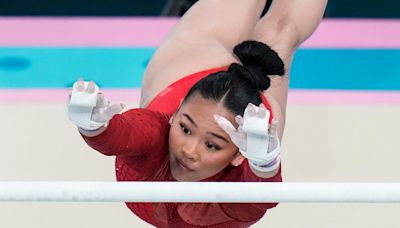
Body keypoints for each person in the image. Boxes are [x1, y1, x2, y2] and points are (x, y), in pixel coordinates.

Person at [67, 0, 327, 227]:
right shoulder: (157, 133)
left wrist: (261, 163)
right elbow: (125, 133)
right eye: (185, 129)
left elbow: (261, 198)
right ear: (174, 116)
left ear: (239, 156)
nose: (189, 151)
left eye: (212, 145)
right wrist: (96, 127)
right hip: (191, 70)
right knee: (280, 31)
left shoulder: (247, 164)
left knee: (275, 28)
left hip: (207, 81)